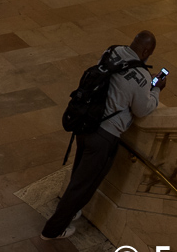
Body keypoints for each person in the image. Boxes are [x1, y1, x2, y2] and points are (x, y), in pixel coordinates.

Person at [40, 32, 162, 238]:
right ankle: (53, 230)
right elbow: (142, 109)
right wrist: (156, 90)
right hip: (105, 136)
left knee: (79, 174)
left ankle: (72, 209)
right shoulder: (142, 77)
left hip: (86, 124)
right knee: (84, 184)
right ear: (147, 51)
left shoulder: (112, 51)